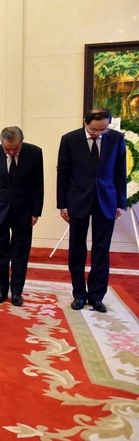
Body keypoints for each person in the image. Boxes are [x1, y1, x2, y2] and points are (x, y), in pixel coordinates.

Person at [57, 108, 127, 313]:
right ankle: (79, 294)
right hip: (77, 200)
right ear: (85, 123)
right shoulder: (70, 139)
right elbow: (63, 173)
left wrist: (120, 203)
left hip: (106, 199)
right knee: (77, 249)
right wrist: (62, 204)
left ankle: (97, 296)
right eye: (95, 130)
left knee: (101, 249)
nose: (99, 133)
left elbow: (120, 172)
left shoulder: (116, 139)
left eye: (103, 129)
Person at [0, 126, 44, 307]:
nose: (11, 152)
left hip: (24, 211)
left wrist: (35, 212)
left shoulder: (34, 153)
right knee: (0, 253)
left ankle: (17, 292)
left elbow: (38, 185)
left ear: (21, 142)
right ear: (2, 143)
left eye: (15, 148)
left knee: (20, 254)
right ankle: (1, 290)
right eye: (7, 148)